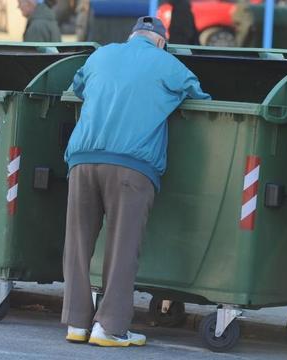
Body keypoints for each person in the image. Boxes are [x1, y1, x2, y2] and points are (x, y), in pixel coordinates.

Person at [62, 16, 210, 347]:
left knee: (77, 242)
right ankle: (110, 328)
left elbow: (78, 87)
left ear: (132, 37)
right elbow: (199, 95)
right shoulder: (167, 62)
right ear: (160, 41)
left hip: (82, 158)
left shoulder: (100, 55)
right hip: (131, 165)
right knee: (122, 247)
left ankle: (76, 322)